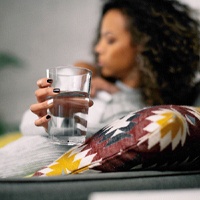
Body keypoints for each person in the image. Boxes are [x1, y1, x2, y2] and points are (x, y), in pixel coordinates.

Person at [1, 0, 200, 178]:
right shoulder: (94, 86)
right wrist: (51, 118)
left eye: (110, 40)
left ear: (146, 45)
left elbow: (116, 141)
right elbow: (26, 124)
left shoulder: (139, 109)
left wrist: (68, 128)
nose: (98, 49)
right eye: (100, 39)